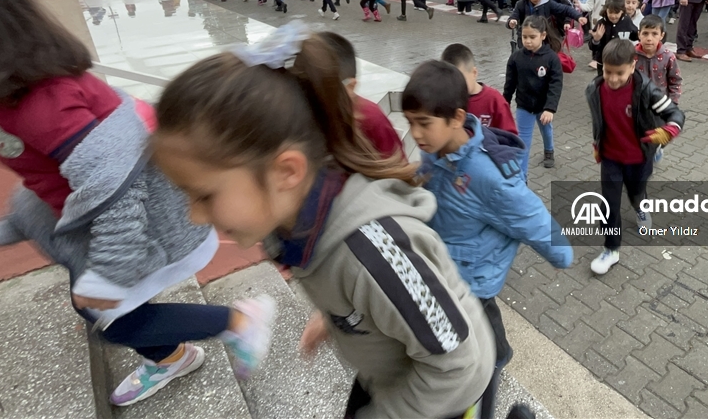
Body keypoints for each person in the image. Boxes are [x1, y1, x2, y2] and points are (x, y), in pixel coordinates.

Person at [0, 0, 274, 407]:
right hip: (112, 229)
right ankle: (171, 356)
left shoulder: (43, 107)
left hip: (147, 227)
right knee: (93, 309)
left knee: (116, 321)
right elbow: (46, 178)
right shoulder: (21, 98)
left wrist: (108, 279)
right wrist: (14, 225)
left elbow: (115, 191)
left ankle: (240, 321)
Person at [150, 22, 497, 418]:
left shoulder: (374, 253)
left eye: (205, 194)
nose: (194, 214)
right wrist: (337, 316)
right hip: (392, 373)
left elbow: (457, 363)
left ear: (286, 172)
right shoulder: (296, 220)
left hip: (440, 394)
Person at [402, 60, 572, 419]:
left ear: (456, 117)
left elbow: (529, 215)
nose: (415, 134)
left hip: (473, 279)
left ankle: (490, 376)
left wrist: (561, 253)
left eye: (424, 124)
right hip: (445, 270)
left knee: (481, 353)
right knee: (466, 337)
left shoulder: (485, 173)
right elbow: (424, 177)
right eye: (410, 123)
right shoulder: (436, 149)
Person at [585, 38, 685, 275]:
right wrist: (597, 144)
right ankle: (611, 249)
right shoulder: (594, 89)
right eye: (608, 71)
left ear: (633, 65)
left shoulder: (646, 89)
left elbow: (675, 114)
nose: (613, 78)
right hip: (610, 158)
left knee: (636, 193)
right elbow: (600, 122)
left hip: (639, 158)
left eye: (619, 72)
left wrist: (668, 130)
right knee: (609, 203)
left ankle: (640, 206)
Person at [317, 31, 403, 160]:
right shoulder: (304, 117)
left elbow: (398, 167)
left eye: (323, 88)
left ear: (350, 86)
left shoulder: (371, 119)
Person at [504, 15, 563, 175]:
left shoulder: (551, 58)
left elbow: (555, 85)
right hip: (524, 106)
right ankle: (522, 178)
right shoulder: (516, 57)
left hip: (544, 107)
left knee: (546, 130)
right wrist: (505, 103)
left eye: (532, 37)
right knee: (523, 142)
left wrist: (550, 108)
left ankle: (549, 151)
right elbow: (510, 83)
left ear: (543, 36)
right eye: (524, 37)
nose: (528, 41)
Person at [441, 43, 518, 135]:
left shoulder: (494, 99)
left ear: (474, 73)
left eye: (460, 80)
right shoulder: (445, 101)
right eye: (449, 81)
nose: (455, 86)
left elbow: (510, 137)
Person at [506, 0, 586, 36]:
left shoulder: (547, 3)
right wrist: (511, 22)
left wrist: (578, 17)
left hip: (543, 38)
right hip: (526, 38)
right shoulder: (520, 4)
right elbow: (513, 17)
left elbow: (566, 9)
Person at [589, 0, 636, 75]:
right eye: (610, 12)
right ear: (606, 9)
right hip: (604, 63)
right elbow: (592, 47)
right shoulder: (601, 24)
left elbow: (635, 35)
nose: (613, 16)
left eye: (617, 12)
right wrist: (596, 39)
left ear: (622, 11)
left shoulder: (626, 21)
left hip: (622, 61)